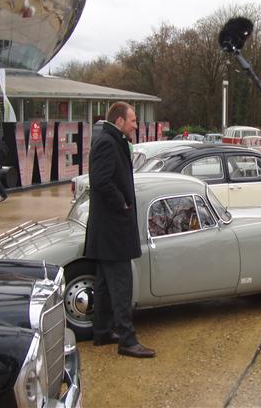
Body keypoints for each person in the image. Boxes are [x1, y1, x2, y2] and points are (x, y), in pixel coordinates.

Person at [84, 102, 155, 358]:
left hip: (107, 228)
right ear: (120, 121)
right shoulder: (107, 142)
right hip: (113, 228)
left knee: (104, 284)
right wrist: (121, 204)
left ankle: (102, 331)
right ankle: (128, 340)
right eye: (133, 120)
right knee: (122, 285)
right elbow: (100, 180)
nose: (136, 125)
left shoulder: (112, 140)